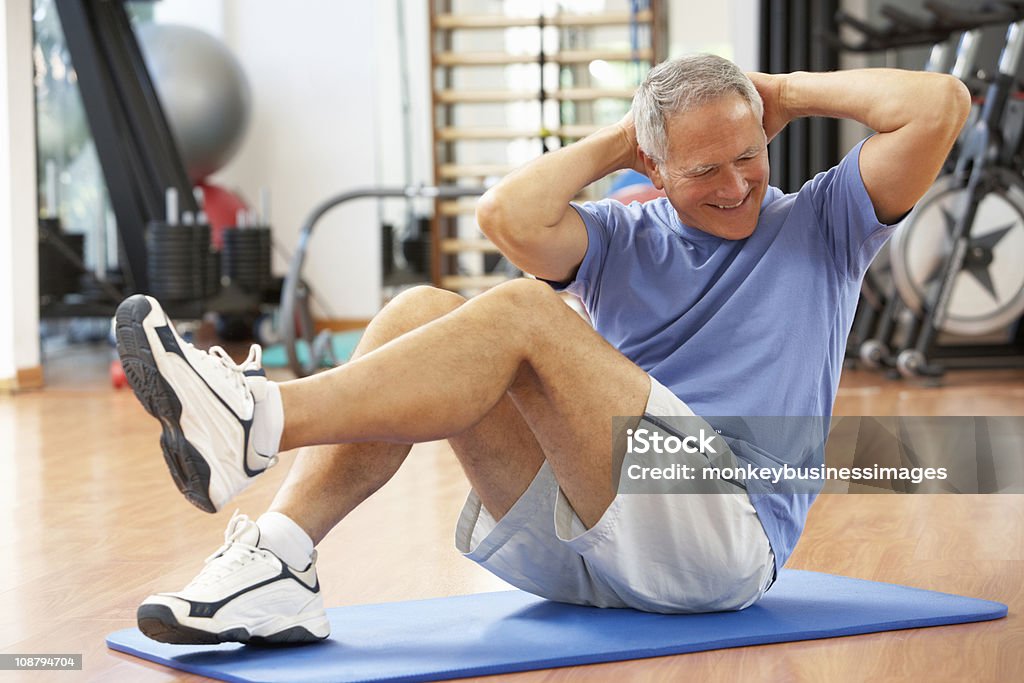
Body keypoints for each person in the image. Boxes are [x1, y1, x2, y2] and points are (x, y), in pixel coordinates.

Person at [117, 54, 971, 645]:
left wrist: (776, 90)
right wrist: (624, 137)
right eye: (703, 169)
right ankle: (279, 561)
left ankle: (258, 416)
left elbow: (941, 105)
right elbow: (505, 216)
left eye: (748, 156)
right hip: (583, 544)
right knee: (420, 306)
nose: (737, 183)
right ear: (656, 167)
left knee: (525, 313)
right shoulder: (621, 238)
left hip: (720, 539)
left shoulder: (825, 222)